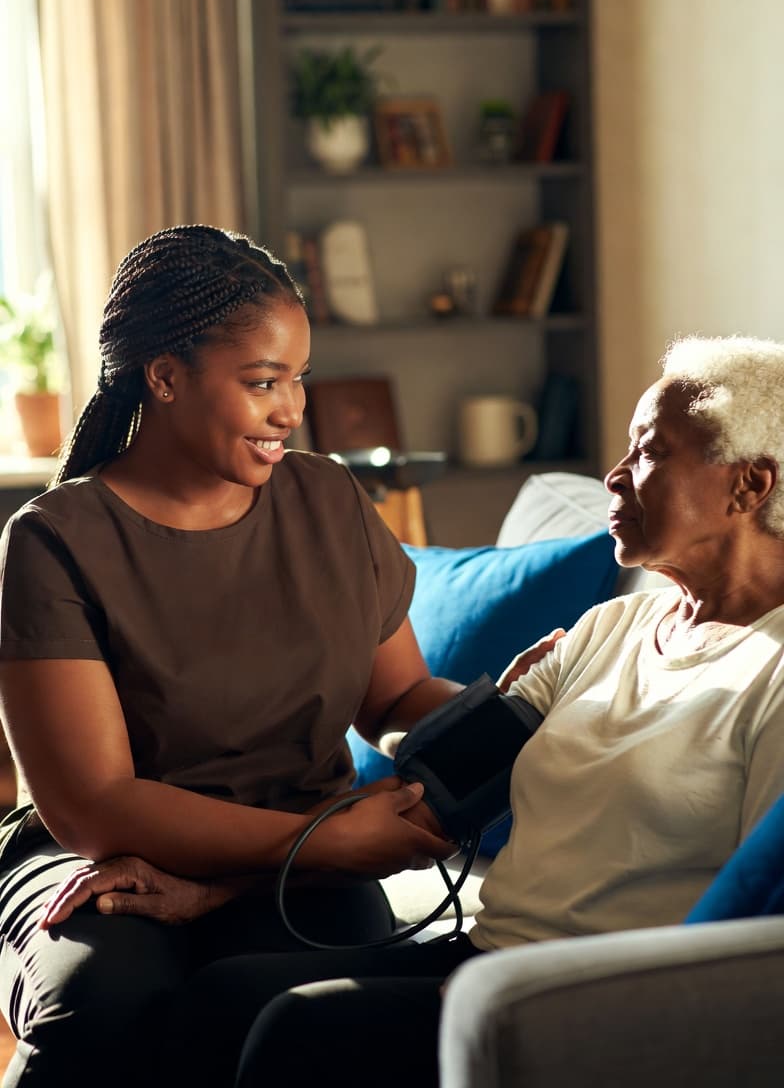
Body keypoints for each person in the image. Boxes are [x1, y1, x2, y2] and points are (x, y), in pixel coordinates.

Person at [39, 332, 784, 1088]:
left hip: (590, 995)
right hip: (488, 957)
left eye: (651, 453)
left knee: (295, 1030)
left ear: (749, 486)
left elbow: (756, 929)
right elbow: (424, 810)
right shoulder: (607, 630)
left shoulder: (776, 674)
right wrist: (205, 892)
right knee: (221, 1000)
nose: (615, 476)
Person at [0, 224, 473, 1087]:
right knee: (104, 1003)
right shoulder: (55, 541)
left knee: (318, 1011)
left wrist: (530, 707)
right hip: (109, 865)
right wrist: (325, 845)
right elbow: (95, 808)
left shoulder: (327, 497)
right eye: (262, 382)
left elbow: (396, 696)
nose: (291, 409)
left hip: (304, 862)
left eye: (297, 380)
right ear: (167, 377)